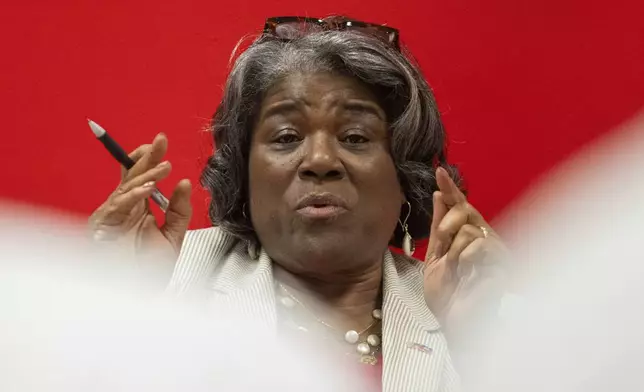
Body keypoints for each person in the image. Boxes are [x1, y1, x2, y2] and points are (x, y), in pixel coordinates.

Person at [89, 16, 508, 391]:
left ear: (404, 174)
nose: (321, 160)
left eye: (356, 137)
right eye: (287, 137)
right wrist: (114, 303)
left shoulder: (459, 299)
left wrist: (485, 342)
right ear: (243, 172)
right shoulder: (174, 279)